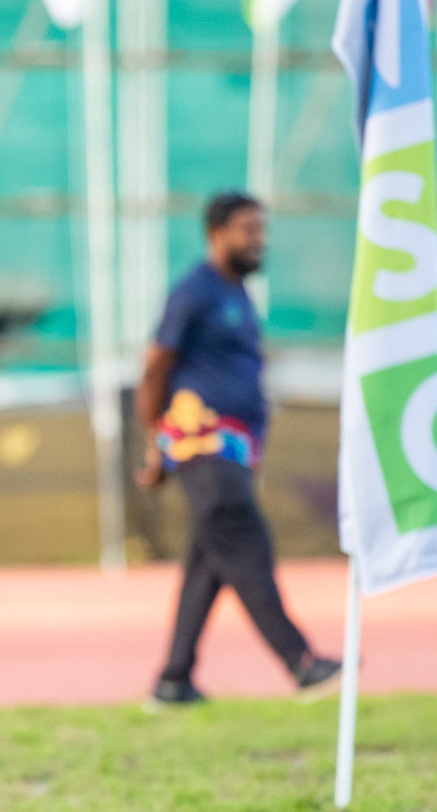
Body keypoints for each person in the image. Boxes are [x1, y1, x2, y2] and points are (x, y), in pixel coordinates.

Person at [135, 191, 341, 705]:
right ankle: (302, 662)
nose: (259, 240)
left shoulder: (237, 295)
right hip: (203, 445)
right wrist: (155, 444)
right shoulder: (195, 292)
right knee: (247, 547)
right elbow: (156, 366)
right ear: (216, 233)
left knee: (210, 561)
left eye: (262, 230)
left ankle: (174, 680)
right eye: (248, 230)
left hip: (233, 450)